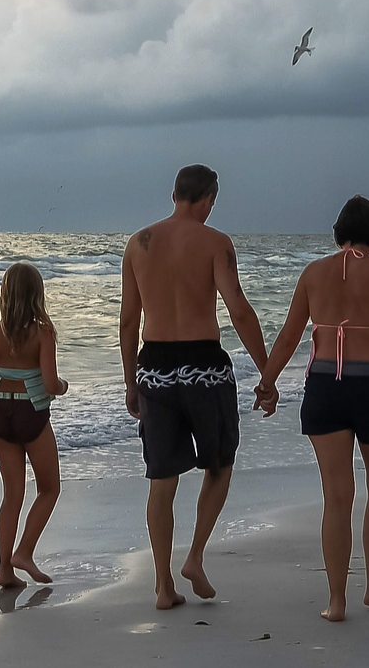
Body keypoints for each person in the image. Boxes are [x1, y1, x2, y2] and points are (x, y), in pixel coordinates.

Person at [253, 195, 369, 622]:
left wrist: (267, 381)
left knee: (336, 497)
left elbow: (288, 336)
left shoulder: (313, 274)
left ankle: (336, 601)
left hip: (324, 391)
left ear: (339, 232)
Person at [119, 163, 269, 610]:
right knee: (219, 463)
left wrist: (131, 380)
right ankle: (196, 556)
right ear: (208, 198)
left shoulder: (139, 244)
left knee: (161, 480)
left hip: (155, 368)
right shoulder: (215, 243)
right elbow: (238, 310)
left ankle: (164, 586)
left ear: (174, 195)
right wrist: (267, 370)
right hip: (205, 366)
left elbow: (128, 321)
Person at [0, 262, 68, 589]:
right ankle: (24, 551)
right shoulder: (42, 333)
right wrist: (64, 386)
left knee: (12, 493)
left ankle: (3, 569)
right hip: (31, 413)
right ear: (36, 296)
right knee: (49, 488)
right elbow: (51, 383)